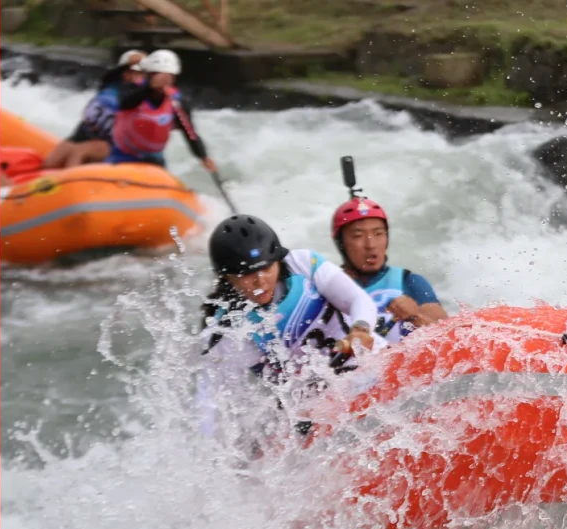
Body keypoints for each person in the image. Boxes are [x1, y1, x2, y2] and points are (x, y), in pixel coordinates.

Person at [198, 214, 382, 437]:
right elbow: (214, 405)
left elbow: (359, 301)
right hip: (316, 406)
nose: (260, 281)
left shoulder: (302, 264)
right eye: (247, 274)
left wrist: (361, 329)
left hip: (367, 366)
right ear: (226, 277)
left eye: (266, 268)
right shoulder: (226, 329)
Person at [327, 195, 448, 342]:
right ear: (341, 244)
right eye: (358, 236)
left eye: (378, 233)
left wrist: (415, 316)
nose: (371, 245)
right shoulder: (326, 287)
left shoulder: (410, 282)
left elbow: (447, 336)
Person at [106, 49, 218, 173]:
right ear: (148, 75)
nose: (162, 80)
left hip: (154, 158)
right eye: (156, 75)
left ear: (173, 79)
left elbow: (190, 133)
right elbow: (124, 103)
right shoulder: (132, 89)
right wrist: (149, 88)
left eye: (167, 77)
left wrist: (203, 156)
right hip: (122, 155)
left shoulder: (177, 103)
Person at [42, 50, 147, 170]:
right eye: (130, 71)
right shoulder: (109, 84)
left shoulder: (141, 92)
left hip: (112, 143)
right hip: (83, 135)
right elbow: (111, 75)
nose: (133, 75)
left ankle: (76, 185)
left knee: (79, 153)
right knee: (51, 162)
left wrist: (145, 64)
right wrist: (131, 61)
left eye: (139, 73)